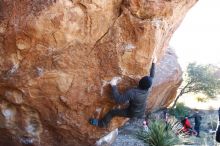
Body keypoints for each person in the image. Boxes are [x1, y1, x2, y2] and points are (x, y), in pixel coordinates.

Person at [89, 57, 157, 127]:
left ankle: (102, 123)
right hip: (141, 111)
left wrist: (113, 85)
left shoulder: (132, 93)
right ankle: (135, 116)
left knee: (112, 112)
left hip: (132, 113)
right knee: (132, 104)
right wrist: (154, 63)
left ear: (139, 82)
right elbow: (152, 76)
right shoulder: (148, 87)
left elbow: (119, 100)